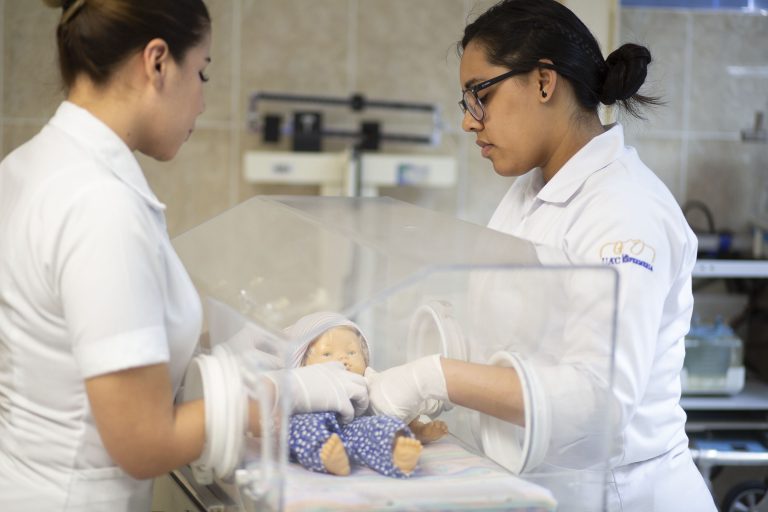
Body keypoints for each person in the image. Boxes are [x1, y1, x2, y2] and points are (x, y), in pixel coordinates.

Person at [0, 2, 365, 510]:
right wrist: (288, 391)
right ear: (156, 62)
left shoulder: (29, 166)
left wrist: (230, 347)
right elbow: (143, 440)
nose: (201, 101)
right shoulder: (99, 205)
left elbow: (77, 339)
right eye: (202, 72)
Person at [365, 1, 717, 510]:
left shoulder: (625, 210)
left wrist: (435, 375)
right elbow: (522, 342)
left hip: (622, 493)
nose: (469, 122)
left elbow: (601, 402)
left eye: (478, 95)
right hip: (546, 482)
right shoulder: (531, 192)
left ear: (544, 82)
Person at [284, 312, 447, 478]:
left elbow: (387, 405)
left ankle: (398, 450)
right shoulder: (304, 386)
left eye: (352, 352)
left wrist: (414, 424)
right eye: (327, 354)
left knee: (378, 425)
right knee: (297, 428)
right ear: (301, 365)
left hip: (352, 426)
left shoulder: (366, 382)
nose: (342, 358)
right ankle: (326, 455)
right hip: (311, 417)